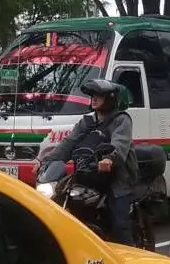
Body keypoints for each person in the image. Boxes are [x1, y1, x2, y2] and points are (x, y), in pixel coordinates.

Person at [41, 79, 140, 246]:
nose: (93, 99)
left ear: (110, 98)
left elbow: (120, 144)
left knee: (119, 224)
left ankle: (130, 259)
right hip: (88, 174)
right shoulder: (86, 122)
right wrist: (46, 162)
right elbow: (68, 144)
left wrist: (110, 158)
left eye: (99, 95)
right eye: (92, 95)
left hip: (117, 179)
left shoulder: (121, 120)